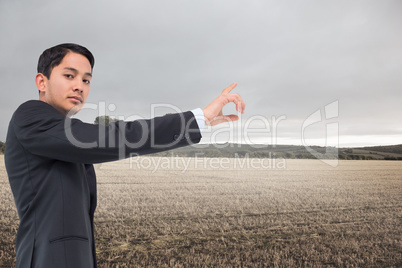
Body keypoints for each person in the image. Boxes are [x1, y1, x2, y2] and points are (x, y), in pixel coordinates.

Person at [4, 43, 245, 268]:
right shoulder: (30, 116)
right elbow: (117, 137)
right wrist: (197, 120)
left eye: (86, 80)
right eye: (69, 75)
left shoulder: (60, 134)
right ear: (41, 82)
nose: (80, 86)